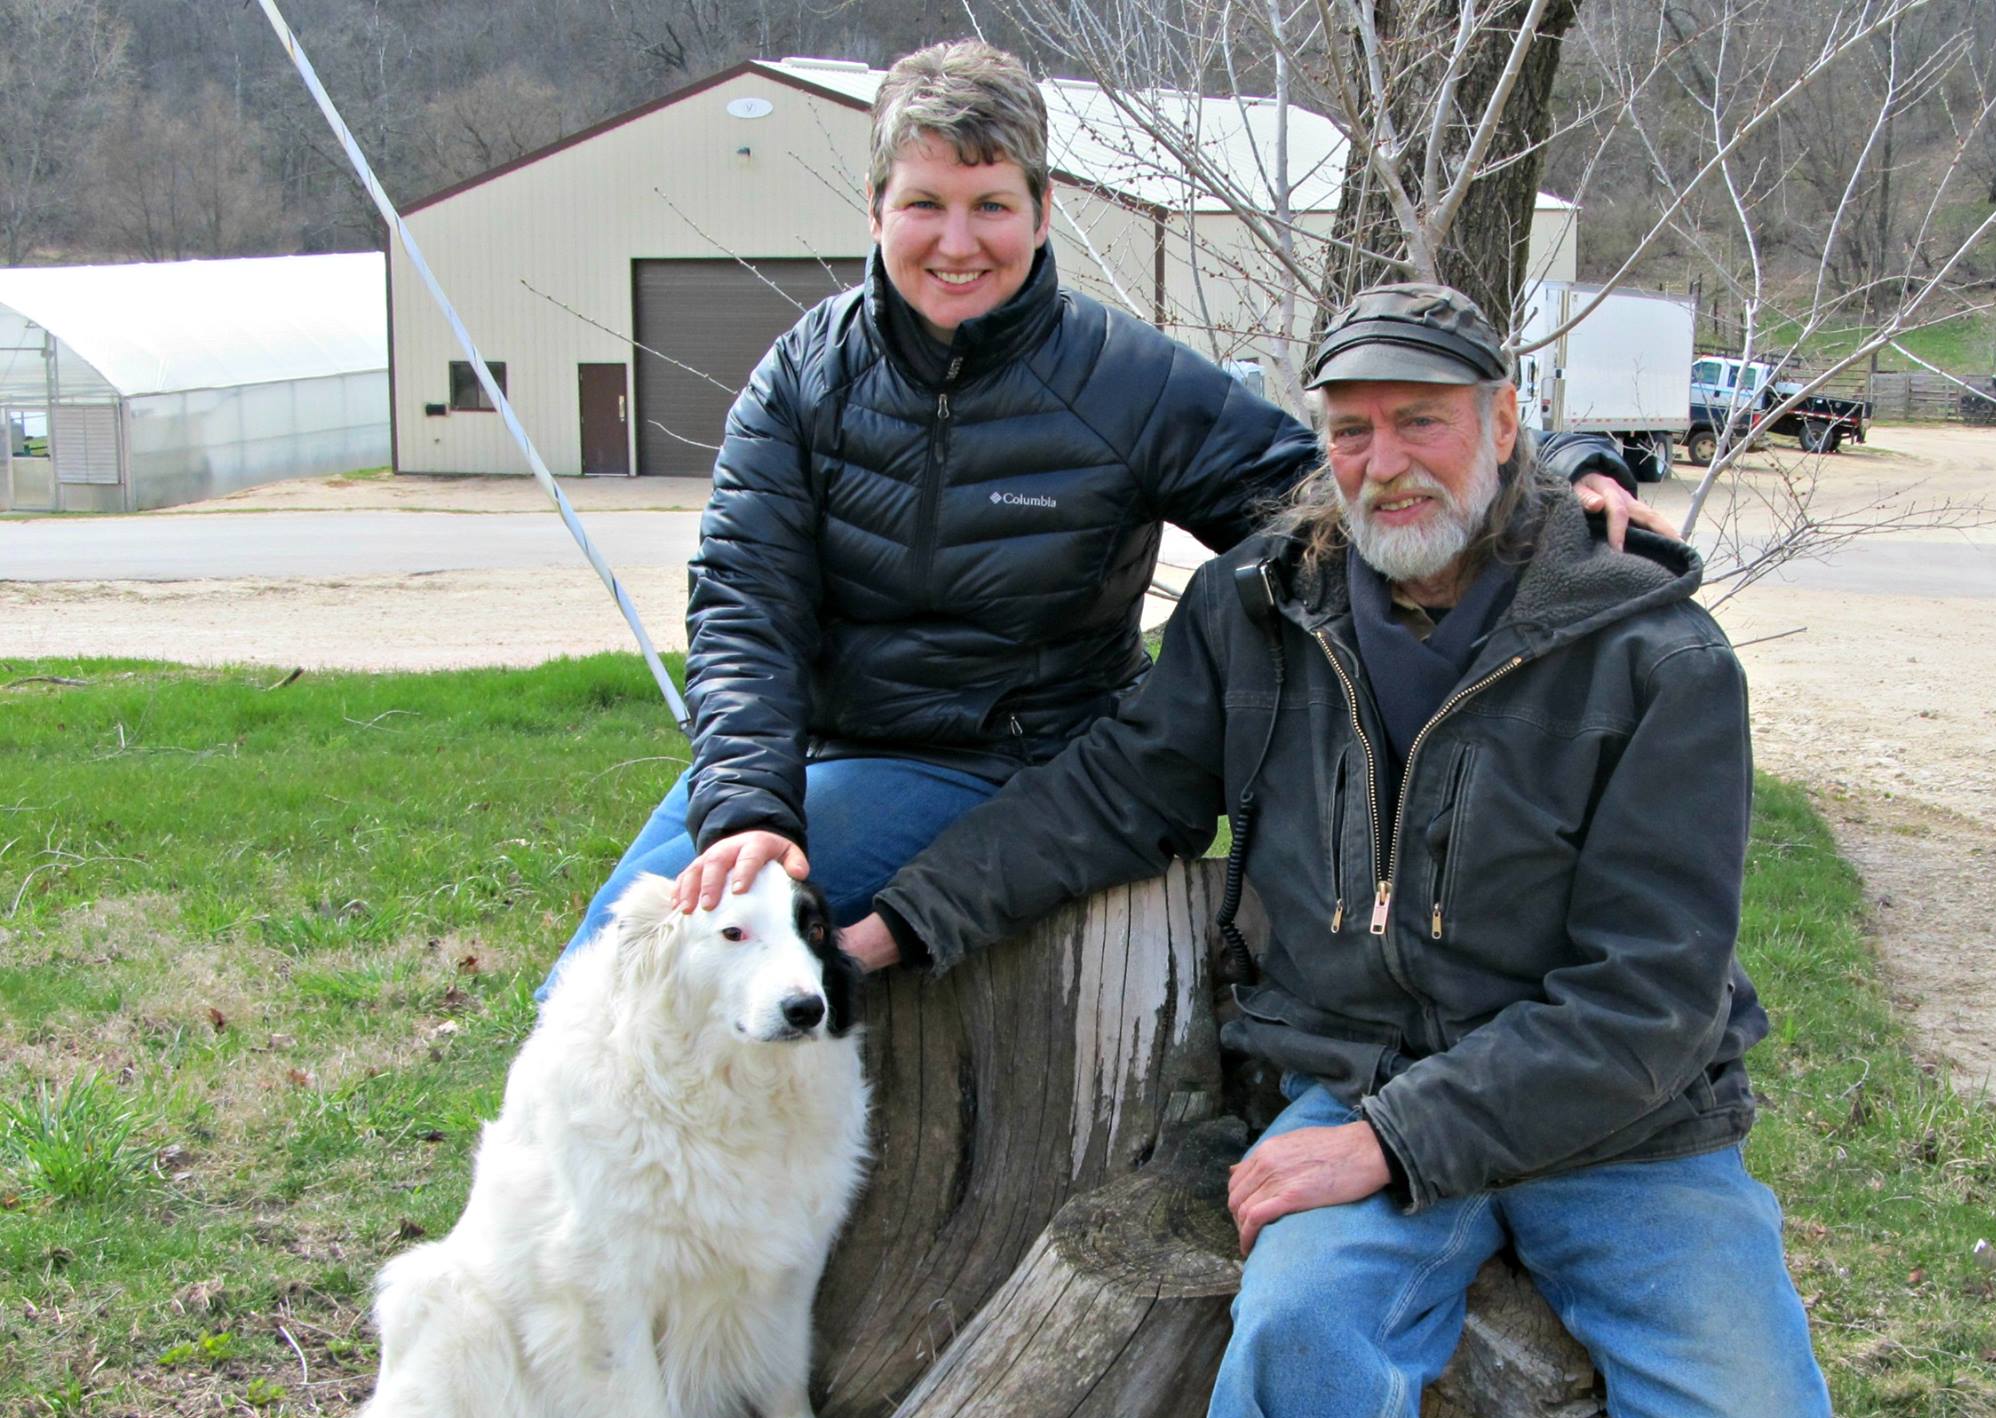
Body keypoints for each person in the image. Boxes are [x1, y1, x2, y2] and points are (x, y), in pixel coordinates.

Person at [842, 283, 1857, 1418]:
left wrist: (1393, 1141)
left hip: (1624, 1128)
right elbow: (1116, 791)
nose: (1389, 462)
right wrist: (889, 929)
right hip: (1359, 1074)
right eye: (1353, 428)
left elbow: (1646, 1001)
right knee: (1298, 1358)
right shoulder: (1262, 610)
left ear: (1506, 426)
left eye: (1425, 421)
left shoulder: (1655, 655)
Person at [544, 41, 1652, 992]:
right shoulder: (805, 375)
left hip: (1009, 763)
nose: (956, 240)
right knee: (620, 961)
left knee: (664, 967)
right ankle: (569, 1217)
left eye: (990, 205)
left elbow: (1341, 487)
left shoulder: (1121, 381)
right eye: (923, 203)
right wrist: (744, 803)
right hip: (826, 756)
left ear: (1041, 207)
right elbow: (746, 605)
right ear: (876, 206)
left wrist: (1552, 468)